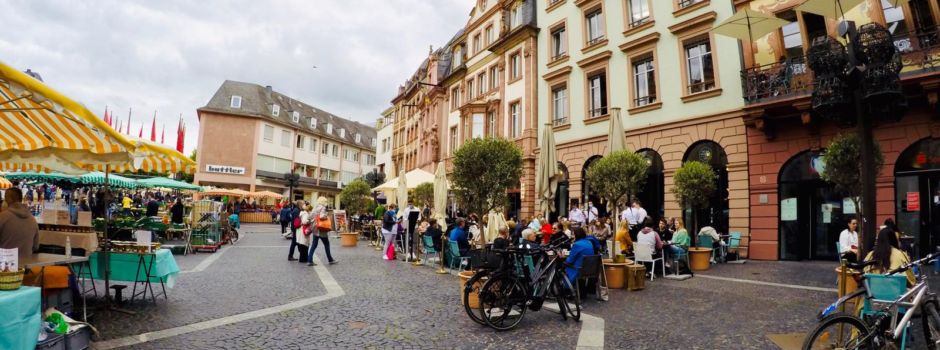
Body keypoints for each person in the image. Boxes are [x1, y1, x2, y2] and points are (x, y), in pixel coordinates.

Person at [0, 188, 39, 255]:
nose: (4, 200)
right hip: (26, 263)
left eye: (5, 198)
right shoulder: (32, 219)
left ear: (9, 199)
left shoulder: (2, 217)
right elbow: (36, 246)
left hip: (5, 263)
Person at [308, 198, 338, 266]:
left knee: (314, 245)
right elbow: (322, 216)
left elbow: (309, 217)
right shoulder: (323, 208)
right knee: (326, 244)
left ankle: (309, 260)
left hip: (315, 228)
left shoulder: (315, 208)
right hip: (321, 229)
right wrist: (326, 215)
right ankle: (330, 259)